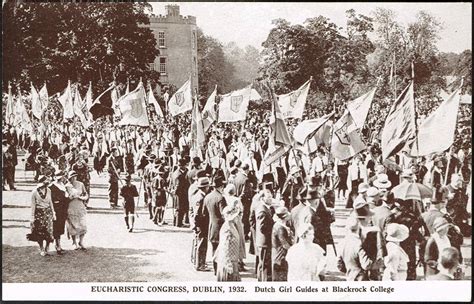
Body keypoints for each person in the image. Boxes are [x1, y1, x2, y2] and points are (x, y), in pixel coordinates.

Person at [203, 172, 227, 275]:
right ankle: (219, 269)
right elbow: (224, 214)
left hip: (211, 227)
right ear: (221, 186)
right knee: (221, 249)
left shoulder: (207, 197)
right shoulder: (221, 198)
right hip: (220, 227)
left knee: (214, 248)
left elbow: (204, 213)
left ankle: (215, 269)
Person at [27, 175, 55, 256]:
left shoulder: (49, 190)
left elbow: (51, 203)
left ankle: (47, 247)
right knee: (39, 232)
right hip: (38, 213)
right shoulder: (34, 192)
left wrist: (53, 213)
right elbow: (33, 206)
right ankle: (41, 248)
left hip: (48, 213)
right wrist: (32, 217)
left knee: (49, 231)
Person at [213, 205, 242, 281]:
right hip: (228, 264)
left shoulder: (231, 226)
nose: (238, 218)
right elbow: (225, 247)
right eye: (236, 216)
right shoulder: (228, 228)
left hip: (232, 262)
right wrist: (228, 264)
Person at [191, 176, 211, 271]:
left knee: (198, 244)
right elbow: (196, 214)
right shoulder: (201, 198)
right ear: (205, 187)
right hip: (201, 225)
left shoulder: (197, 195)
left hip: (199, 224)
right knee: (202, 244)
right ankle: (200, 264)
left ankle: (197, 262)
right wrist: (197, 225)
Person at [66, 170, 89, 250]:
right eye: (71, 177)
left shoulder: (81, 184)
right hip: (71, 206)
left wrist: (82, 198)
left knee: (83, 225)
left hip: (80, 206)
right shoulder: (67, 186)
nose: (73, 178)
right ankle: (74, 242)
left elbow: (86, 194)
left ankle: (81, 241)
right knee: (73, 225)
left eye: (75, 176)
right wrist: (70, 198)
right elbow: (65, 198)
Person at [255, 188, 274, 281]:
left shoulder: (265, 208)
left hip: (263, 241)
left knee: (262, 264)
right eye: (269, 197)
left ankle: (261, 280)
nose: (271, 199)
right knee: (264, 264)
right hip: (264, 242)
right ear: (263, 198)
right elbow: (262, 227)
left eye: (271, 197)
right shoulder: (262, 210)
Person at [49, 170, 69, 254]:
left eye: (62, 177)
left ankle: (59, 244)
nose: (61, 178)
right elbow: (50, 199)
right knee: (56, 227)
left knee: (61, 227)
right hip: (56, 209)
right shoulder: (51, 186)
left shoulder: (63, 185)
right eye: (59, 177)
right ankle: (57, 245)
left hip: (63, 210)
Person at [271, 206, 293, 281]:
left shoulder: (278, 225)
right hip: (281, 257)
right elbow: (285, 244)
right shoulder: (280, 228)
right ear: (284, 216)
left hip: (278, 255)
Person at [170, 158, 190, 227]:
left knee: (178, 208)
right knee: (180, 208)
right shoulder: (179, 175)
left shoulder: (175, 172)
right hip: (180, 193)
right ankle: (178, 223)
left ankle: (176, 222)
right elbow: (178, 185)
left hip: (180, 193)